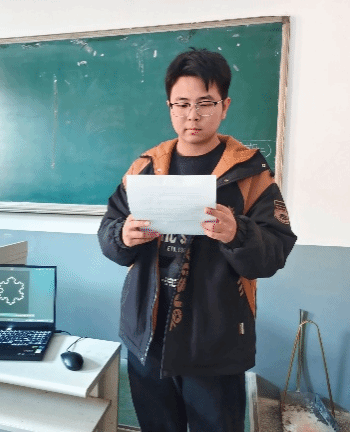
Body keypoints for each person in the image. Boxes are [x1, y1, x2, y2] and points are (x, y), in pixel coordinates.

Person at [97, 49, 297, 432]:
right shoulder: (145, 168)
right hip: (147, 337)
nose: (193, 115)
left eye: (205, 103)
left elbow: (275, 252)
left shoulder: (249, 173)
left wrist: (238, 233)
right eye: (182, 103)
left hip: (215, 342)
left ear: (225, 106)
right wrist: (122, 236)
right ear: (170, 107)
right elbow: (109, 230)